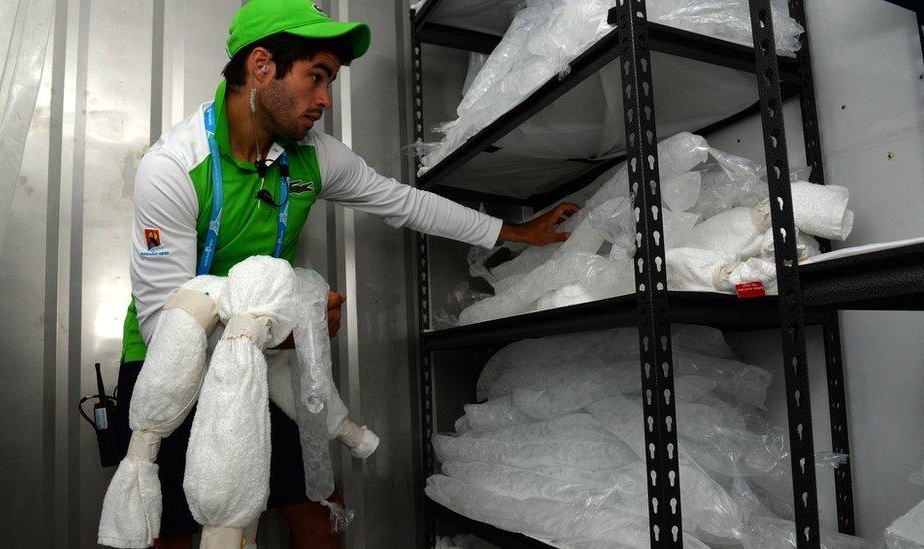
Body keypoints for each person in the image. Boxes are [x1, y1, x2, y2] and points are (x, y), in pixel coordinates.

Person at [113, 0, 579, 547]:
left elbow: (405, 203)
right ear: (261, 66)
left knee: (318, 514)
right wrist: (285, 331)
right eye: (316, 77)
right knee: (173, 534)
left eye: (329, 81)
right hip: (168, 370)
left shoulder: (312, 156)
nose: (326, 100)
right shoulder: (172, 167)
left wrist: (515, 232)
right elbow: (161, 327)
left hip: (263, 364)